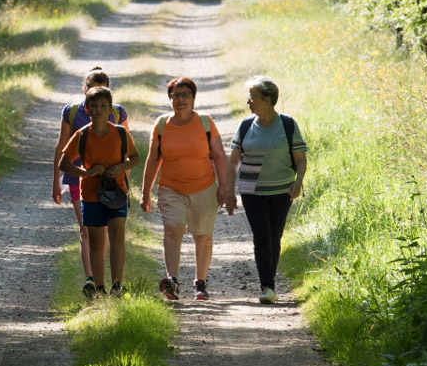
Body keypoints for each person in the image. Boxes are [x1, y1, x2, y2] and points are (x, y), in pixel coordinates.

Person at [141, 77, 234, 302]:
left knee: (202, 236)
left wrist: (225, 188)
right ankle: (172, 280)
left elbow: (220, 156)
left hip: (204, 187)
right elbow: (153, 160)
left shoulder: (205, 122)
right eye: (175, 95)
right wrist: (146, 191)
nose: (180, 99)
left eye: (185, 95)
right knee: (172, 230)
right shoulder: (162, 124)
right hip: (171, 188)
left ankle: (199, 283)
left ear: (193, 98)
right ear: (170, 99)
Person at [228, 75, 307, 305]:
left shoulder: (288, 125)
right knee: (262, 236)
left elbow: (300, 159)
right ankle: (267, 286)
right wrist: (228, 190)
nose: (247, 102)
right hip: (252, 192)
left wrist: (298, 181)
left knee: (275, 237)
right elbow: (233, 160)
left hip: (282, 190)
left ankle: (268, 281)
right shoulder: (245, 126)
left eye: (251, 97)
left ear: (267, 99)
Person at [52, 66, 128, 299]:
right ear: (85, 92)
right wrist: (56, 181)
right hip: (79, 180)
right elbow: (62, 148)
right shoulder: (73, 113)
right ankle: (92, 280)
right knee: (89, 231)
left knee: (113, 233)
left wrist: (123, 178)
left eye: (102, 96)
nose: (97, 106)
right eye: (92, 95)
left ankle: (111, 284)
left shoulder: (117, 114)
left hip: (112, 184)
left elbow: (125, 150)